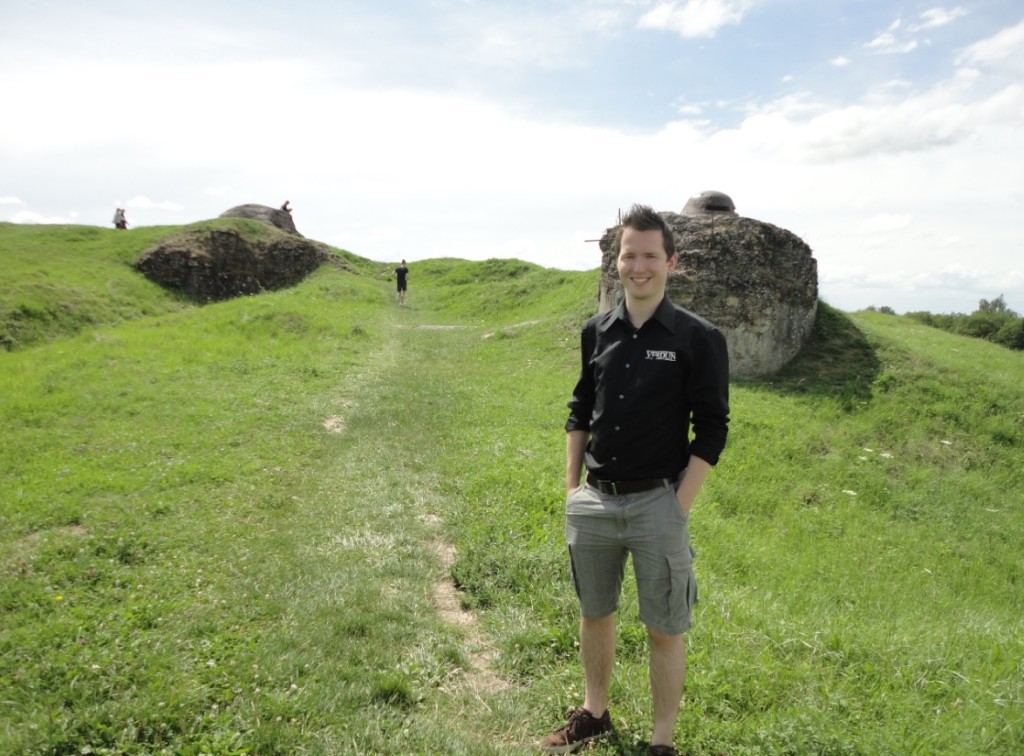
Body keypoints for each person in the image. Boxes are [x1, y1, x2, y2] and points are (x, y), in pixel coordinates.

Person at [540, 204, 730, 755]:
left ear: (671, 261)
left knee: (664, 629)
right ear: (616, 262)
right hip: (595, 502)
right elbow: (580, 408)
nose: (638, 266)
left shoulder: (699, 337)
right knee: (594, 614)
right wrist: (572, 487)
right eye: (629, 255)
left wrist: (679, 505)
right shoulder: (596, 331)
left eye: (650, 255)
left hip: (658, 504)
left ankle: (662, 742)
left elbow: (712, 428)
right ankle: (594, 713)